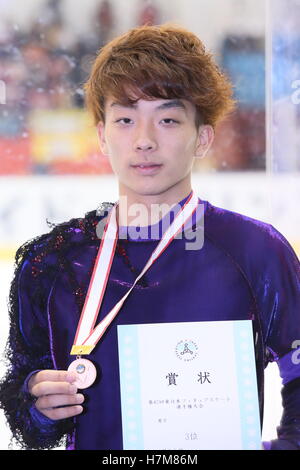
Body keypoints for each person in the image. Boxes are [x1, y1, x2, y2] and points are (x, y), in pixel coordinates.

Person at [0, 23, 299, 451]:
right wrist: (38, 405)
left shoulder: (256, 251)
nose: (144, 141)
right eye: (125, 119)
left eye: (168, 119)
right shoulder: (54, 262)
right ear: (102, 136)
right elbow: (24, 407)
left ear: (203, 137)